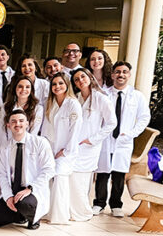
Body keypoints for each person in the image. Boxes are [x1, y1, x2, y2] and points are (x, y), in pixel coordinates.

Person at [94, 62, 150, 217]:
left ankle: (116, 204)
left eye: (125, 72)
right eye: (118, 72)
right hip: (106, 140)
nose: (121, 75)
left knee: (119, 174)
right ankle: (98, 203)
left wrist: (132, 133)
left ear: (129, 75)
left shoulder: (137, 96)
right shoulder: (104, 94)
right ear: (112, 75)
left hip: (124, 140)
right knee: (102, 172)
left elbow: (144, 117)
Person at [0, 110, 55, 230]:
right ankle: (19, 216)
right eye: (13, 121)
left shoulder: (40, 142)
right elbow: (2, 174)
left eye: (21, 121)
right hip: (13, 190)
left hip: (32, 190)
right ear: (8, 125)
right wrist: (8, 196)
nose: (17, 124)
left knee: (24, 204)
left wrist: (29, 189)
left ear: (27, 124)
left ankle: (32, 217)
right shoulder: (4, 147)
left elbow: (49, 169)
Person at [71, 69, 116, 222]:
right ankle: (71, 210)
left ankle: (82, 211)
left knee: (82, 179)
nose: (80, 80)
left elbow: (112, 122)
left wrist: (93, 139)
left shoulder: (100, 98)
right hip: (74, 144)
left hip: (89, 146)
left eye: (83, 76)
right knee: (72, 177)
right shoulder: (75, 98)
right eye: (76, 79)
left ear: (90, 77)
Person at [41, 73, 82, 224]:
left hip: (66, 151)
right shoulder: (49, 103)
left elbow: (75, 130)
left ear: (66, 85)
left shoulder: (73, 104)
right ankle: (46, 211)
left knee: (58, 176)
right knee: (46, 176)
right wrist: (46, 149)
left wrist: (65, 151)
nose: (57, 87)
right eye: (54, 84)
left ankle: (59, 216)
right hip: (50, 149)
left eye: (60, 83)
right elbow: (45, 127)